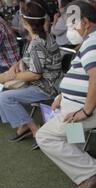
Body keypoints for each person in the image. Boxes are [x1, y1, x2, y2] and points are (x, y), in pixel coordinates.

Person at [36, 1, 96, 188]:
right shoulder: (93, 39)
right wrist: (63, 94)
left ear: (85, 21)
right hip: (88, 105)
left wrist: (86, 111)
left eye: (72, 24)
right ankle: (80, 156)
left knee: (45, 136)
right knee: (69, 124)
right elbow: (84, 75)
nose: (70, 29)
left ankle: (94, 173)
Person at [0, 0, 62, 147]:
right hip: (53, 85)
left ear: (25, 22)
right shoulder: (42, 36)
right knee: (4, 93)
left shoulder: (37, 42)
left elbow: (35, 74)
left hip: (47, 87)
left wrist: (10, 76)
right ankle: (24, 126)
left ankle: (34, 129)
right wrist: (16, 65)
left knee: (4, 97)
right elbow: (32, 61)